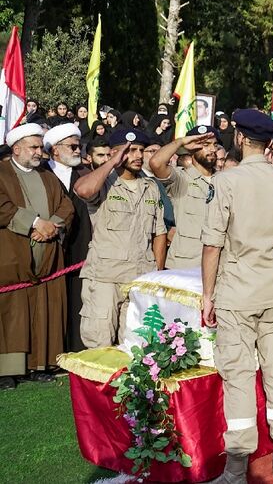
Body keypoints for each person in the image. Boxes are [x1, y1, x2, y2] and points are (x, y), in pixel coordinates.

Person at [201, 109, 273, 483]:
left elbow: (212, 244)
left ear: (240, 138)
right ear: (270, 142)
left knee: (239, 378)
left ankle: (237, 468)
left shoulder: (226, 181)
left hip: (238, 292)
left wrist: (207, 295)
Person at [74, 128, 168, 348]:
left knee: (137, 345)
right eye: (131, 150)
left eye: (141, 150)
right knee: (100, 342)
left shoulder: (150, 187)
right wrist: (111, 163)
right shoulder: (104, 183)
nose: (138, 155)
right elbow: (83, 190)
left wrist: (156, 274)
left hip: (140, 276)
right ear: (114, 153)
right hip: (105, 277)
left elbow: (159, 233)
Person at [0, 124, 74, 390]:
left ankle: (39, 365)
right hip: (11, 256)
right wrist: (34, 223)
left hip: (47, 256)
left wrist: (51, 226)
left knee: (44, 309)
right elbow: (3, 207)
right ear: (16, 149)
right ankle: (7, 371)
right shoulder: (1, 173)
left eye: (40, 147)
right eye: (33, 147)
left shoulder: (47, 175)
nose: (38, 152)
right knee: (12, 314)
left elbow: (66, 205)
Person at [43, 123, 93, 353]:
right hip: (50, 245)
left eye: (79, 146)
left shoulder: (84, 174)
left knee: (77, 297)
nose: (77, 151)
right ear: (55, 149)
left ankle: (76, 346)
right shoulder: (42, 173)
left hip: (80, 246)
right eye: (72, 146)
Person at [149, 125, 218, 269]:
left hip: (216, 263)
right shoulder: (181, 178)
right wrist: (180, 142)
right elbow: (156, 163)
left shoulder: (224, 180)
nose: (212, 149)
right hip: (184, 264)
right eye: (206, 145)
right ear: (192, 148)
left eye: (215, 145)